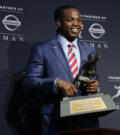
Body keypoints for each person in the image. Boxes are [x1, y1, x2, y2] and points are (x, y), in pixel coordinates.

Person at [22, 5, 99, 135]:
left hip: (87, 120)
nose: (76, 24)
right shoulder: (42, 49)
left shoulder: (89, 50)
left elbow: (94, 78)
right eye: (70, 20)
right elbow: (29, 82)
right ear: (59, 22)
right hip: (56, 120)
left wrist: (95, 86)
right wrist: (56, 83)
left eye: (79, 20)